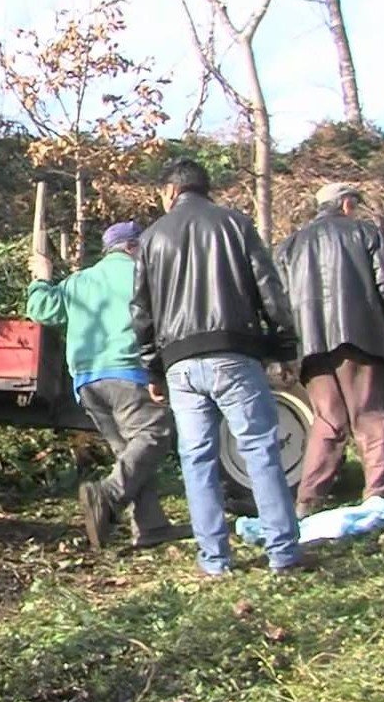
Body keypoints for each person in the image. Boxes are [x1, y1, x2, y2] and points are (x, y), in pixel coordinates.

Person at [130, 158, 305, 576]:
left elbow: (142, 312)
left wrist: (154, 370)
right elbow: (270, 289)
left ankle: (214, 561)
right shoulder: (235, 225)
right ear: (205, 189)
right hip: (234, 353)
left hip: (180, 365)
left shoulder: (152, 238)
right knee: (260, 451)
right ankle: (283, 554)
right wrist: (283, 346)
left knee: (198, 459)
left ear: (171, 192)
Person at [26, 222, 189, 550]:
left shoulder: (78, 281)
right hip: (127, 373)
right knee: (153, 435)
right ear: (133, 247)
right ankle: (108, 494)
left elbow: (41, 310)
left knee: (130, 453)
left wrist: (43, 276)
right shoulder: (143, 277)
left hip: (88, 382)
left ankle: (150, 526)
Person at [275, 183, 384, 518]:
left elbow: (279, 303)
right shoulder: (366, 233)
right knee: (371, 418)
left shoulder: (291, 245)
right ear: (346, 204)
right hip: (360, 338)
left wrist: (290, 349)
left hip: (311, 345)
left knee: (327, 421)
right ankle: (380, 498)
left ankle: (308, 500)